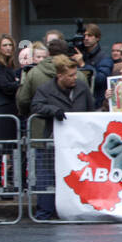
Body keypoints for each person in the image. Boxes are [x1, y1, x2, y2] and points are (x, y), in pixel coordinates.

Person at [30, 56, 97, 220]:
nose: (75, 78)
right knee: (46, 176)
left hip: (79, 141)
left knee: (79, 175)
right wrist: (53, 110)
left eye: (75, 74)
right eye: (71, 75)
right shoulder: (45, 89)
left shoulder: (81, 87)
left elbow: (91, 108)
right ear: (60, 76)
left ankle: (81, 211)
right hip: (54, 140)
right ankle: (44, 213)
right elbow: (35, 105)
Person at [0, 34, 21, 191]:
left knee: (10, 148)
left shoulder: (10, 67)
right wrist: (19, 84)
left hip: (10, 110)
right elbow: (5, 86)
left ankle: (10, 182)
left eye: (10, 45)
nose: (8, 48)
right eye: (5, 45)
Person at [79, 23, 115, 99]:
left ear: (97, 38)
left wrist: (83, 64)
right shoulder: (81, 55)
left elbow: (100, 80)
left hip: (97, 102)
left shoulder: (105, 58)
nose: (86, 38)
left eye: (89, 35)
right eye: (84, 36)